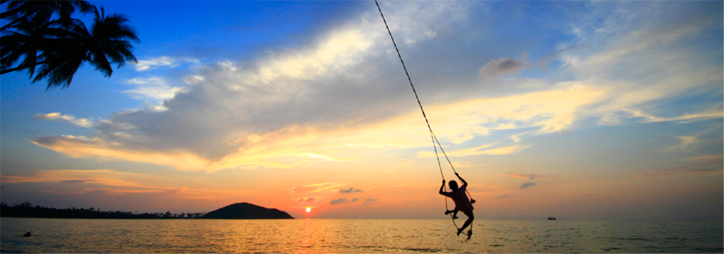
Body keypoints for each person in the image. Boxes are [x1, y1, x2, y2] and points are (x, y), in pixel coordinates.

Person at [439, 172, 475, 237]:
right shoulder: (461, 190)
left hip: (460, 207)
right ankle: (461, 229)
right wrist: (458, 176)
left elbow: (440, 192)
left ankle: (453, 214)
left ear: (450, 187)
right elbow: (466, 183)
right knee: (471, 218)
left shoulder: (451, 194)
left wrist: (443, 184)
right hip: (467, 207)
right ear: (457, 185)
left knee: (457, 206)